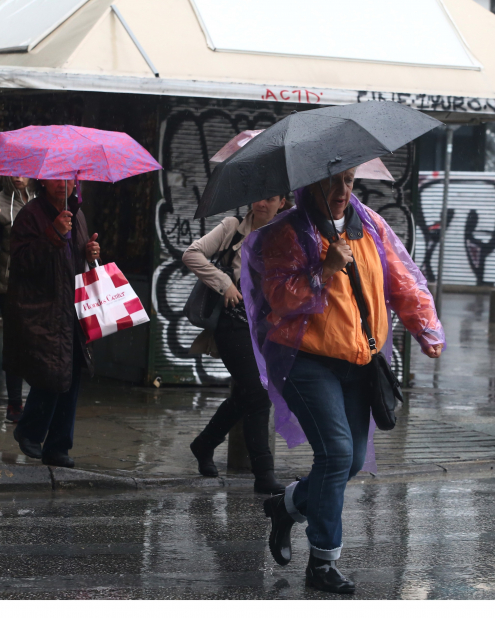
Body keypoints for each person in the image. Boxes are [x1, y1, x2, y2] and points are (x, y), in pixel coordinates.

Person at [241, 169, 444, 594]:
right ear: (308, 184)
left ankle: (288, 505)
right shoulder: (285, 233)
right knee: (335, 454)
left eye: (349, 180)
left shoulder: (369, 223)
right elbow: (278, 298)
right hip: (306, 359)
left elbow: (403, 279)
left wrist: (426, 328)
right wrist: (324, 269)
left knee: (350, 461)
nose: (341, 191)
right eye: (331, 181)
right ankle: (323, 561)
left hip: (358, 361)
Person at [183, 195, 287, 495]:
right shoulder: (233, 228)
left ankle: (203, 444)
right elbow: (192, 254)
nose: (260, 203)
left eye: (270, 198)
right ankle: (263, 473)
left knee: (245, 395)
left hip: (265, 330)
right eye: (257, 196)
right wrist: (224, 282)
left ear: (282, 202)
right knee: (258, 394)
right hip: (231, 325)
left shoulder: (284, 236)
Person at [2, 178, 99, 468]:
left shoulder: (77, 214)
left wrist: (90, 253)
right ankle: (29, 429)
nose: (63, 184)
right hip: (41, 308)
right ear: (42, 180)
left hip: (71, 308)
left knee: (71, 374)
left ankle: (58, 447)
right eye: (56, 177)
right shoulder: (30, 214)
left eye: (69, 178)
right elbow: (21, 262)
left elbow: (77, 260)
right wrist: (53, 234)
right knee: (52, 373)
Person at [0, 176, 35, 424]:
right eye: (13, 170)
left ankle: (37, 402)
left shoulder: (43, 198)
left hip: (41, 284)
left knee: (38, 343)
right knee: (15, 343)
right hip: (10, 285)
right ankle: (14, 404)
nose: (18, 176)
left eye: (23, 170)